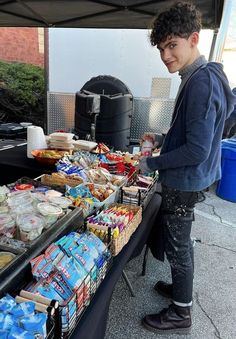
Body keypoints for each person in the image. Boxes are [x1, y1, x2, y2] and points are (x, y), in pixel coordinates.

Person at [138, 1, 236, 335]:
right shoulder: (199, 76)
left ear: (194, 39)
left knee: (179, 245)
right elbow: (190, 132)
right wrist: (164, 137)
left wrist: (152, 162)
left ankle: (181, 313)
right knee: (182, 242)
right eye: (162, 48)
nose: (166, 54)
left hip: (186, 179)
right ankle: (181, 291)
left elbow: (197, 148)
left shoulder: (201, 82)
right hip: (192, 178)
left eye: (172, 45)